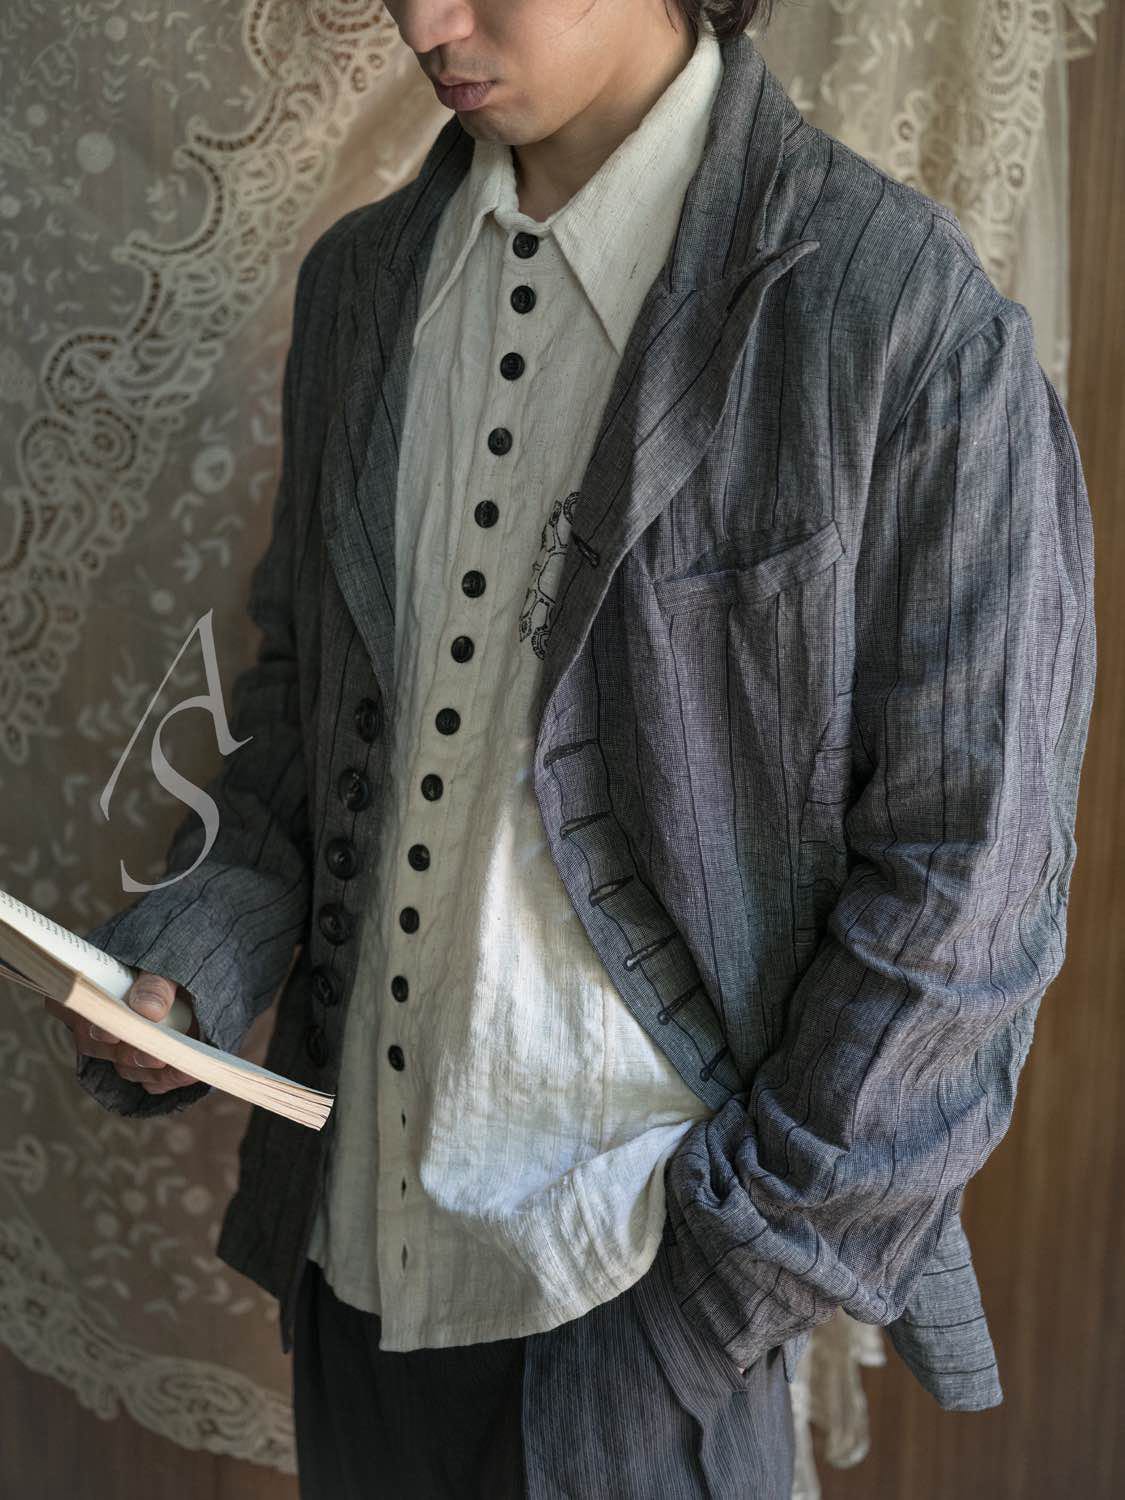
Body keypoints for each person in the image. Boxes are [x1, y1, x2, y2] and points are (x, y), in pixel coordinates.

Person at [59, 0, 1097, 1496]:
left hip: (649, 1294)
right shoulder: (361, 287)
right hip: (354, 1260)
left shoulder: (897, 315)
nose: (426, 20)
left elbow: (971, 880)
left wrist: (726, 1283)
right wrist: (190, 962)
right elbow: (308, 710)